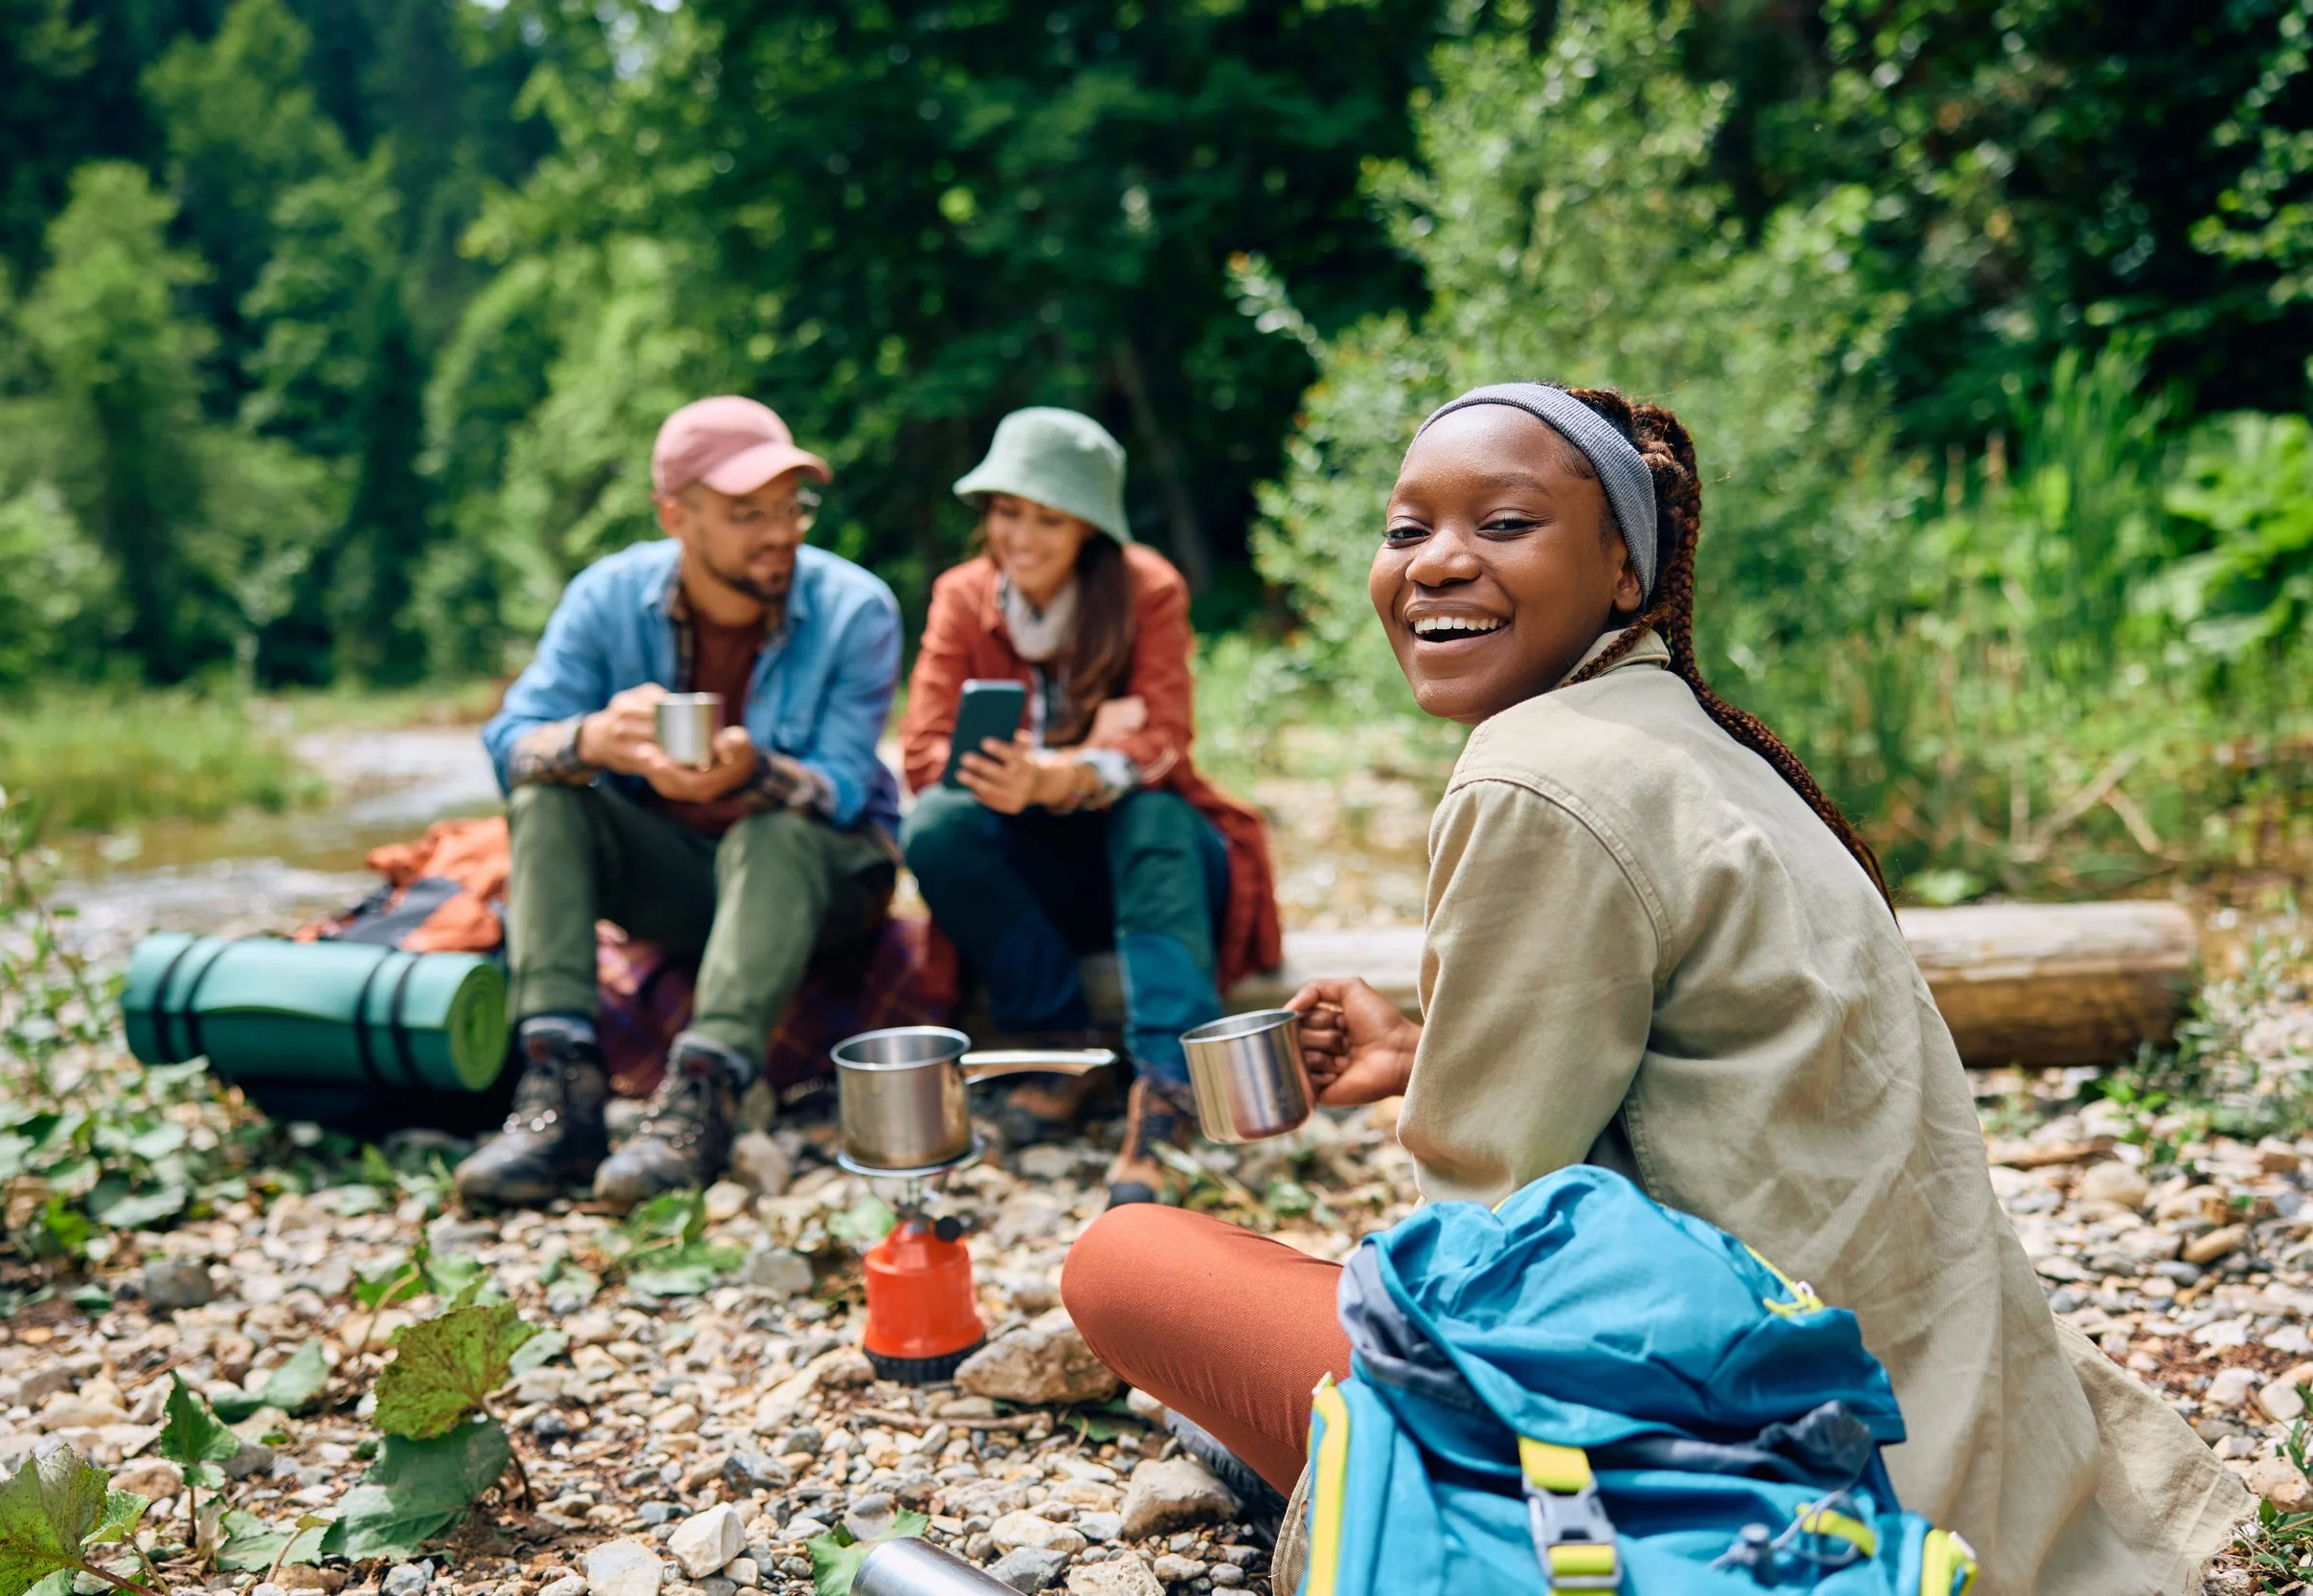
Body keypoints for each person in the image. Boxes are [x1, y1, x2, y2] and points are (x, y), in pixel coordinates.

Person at [1060, 384, 2246, 1592]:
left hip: (1751, 1464)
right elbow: (1720, 1077)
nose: (1437, 563)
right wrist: (1431, 1052)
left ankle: (1318, 1467)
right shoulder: (1688, 732)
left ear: (1625, 571)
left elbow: (1487, 1239)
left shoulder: (1531, 773)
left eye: (1506, 524)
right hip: (1951, 1426)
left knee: (1121, 1258)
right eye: (1406, 528)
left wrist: (1441, 1123)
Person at [457, 396, 903, 1211]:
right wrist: (591, 738)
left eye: (790, 507)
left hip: (821, 880)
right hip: (677, 877)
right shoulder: (606, 598)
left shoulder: (855, 609)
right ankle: (561, 1093)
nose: (780, 532)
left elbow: (839, 790)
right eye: (746, 513)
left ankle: (707, 1092)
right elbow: (507, 742)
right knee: (546, 797)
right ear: (676, 514)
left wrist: (751, 769)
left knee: (777, 827)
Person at [899, 408, 1281, 1205]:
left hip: (1154, 869)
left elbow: (1164, 740)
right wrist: (1028, 774)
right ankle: (1053, 1043)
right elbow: (923, 754)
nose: (1022, 536)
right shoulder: (963, 598)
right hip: (1039, 872)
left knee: (1155, 813)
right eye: (1007, 511)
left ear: (1088, 530)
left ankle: (1168, 1091)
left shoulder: (1147, 590)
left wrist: (1063, 775)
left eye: (1048, 517)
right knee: (935, 824)